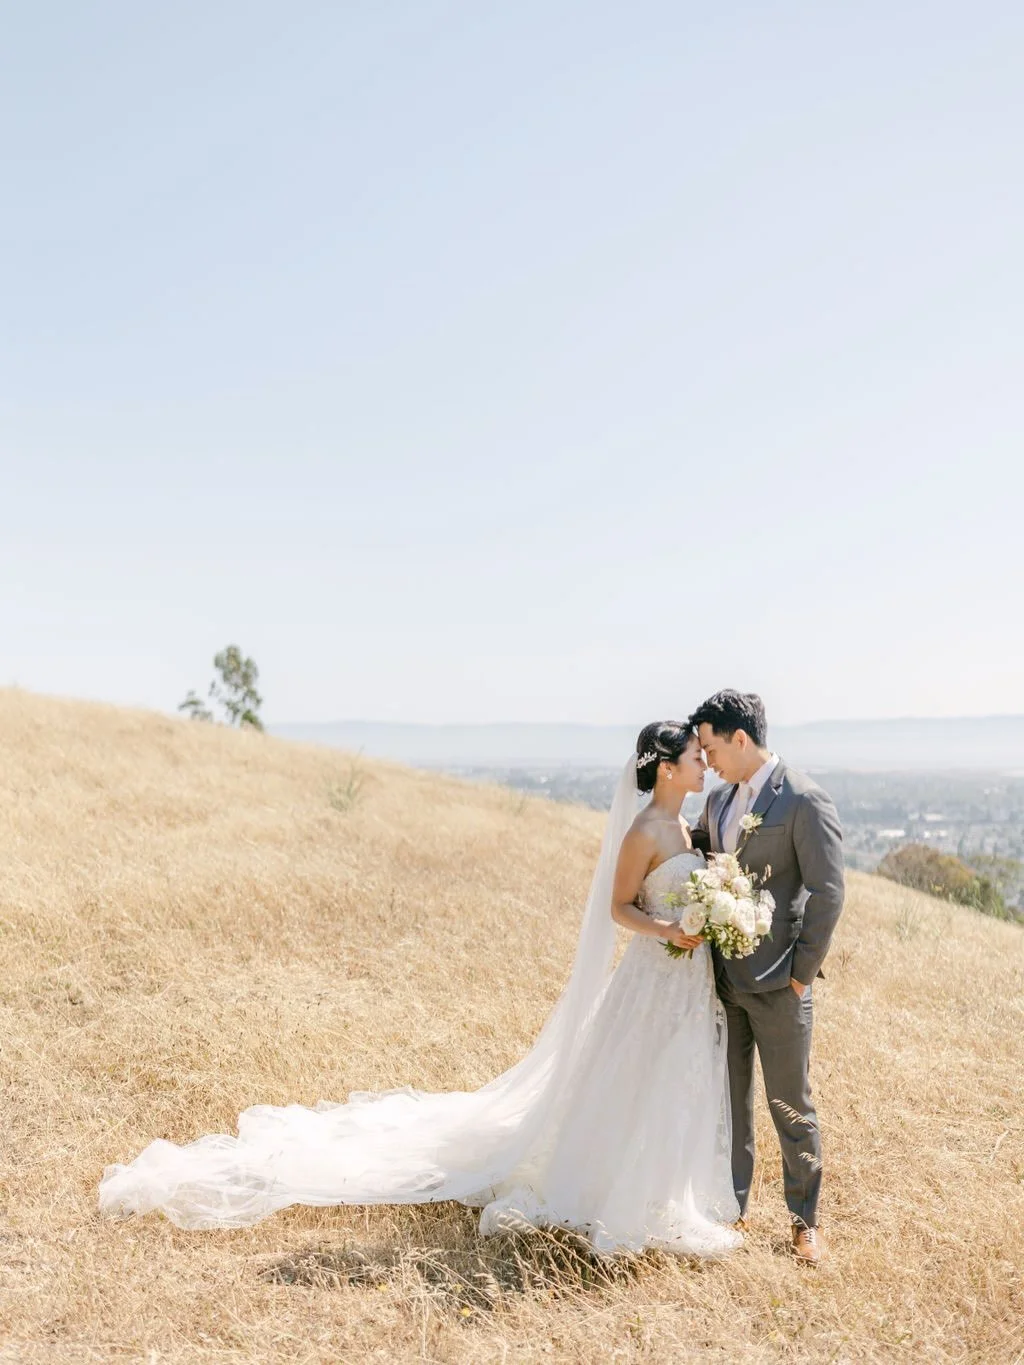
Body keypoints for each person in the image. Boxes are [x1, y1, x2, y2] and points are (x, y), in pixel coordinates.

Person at [99, 721, 741, 1259]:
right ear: (664, 769)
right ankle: (615, 1193)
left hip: (683, 985)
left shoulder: (687, 829)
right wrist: (666, 927)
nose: (703, 766)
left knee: (670, 1077)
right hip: (652, 975)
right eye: (693, 758)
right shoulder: (645, 832)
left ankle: (666, 1192)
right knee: (632, 1076)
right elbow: (617, 909)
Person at [690, 690, 845, 1265]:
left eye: (710, 748)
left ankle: (805, 1220)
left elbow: (829, 893)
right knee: (730, 1101)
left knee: (790, 1103)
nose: (706, 760)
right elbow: (701, 857)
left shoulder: (804, 799)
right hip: (723, 983)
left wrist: (800, 976)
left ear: (740, 739)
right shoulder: (717, 801)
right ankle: (732, 1208)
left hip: (782, 984)